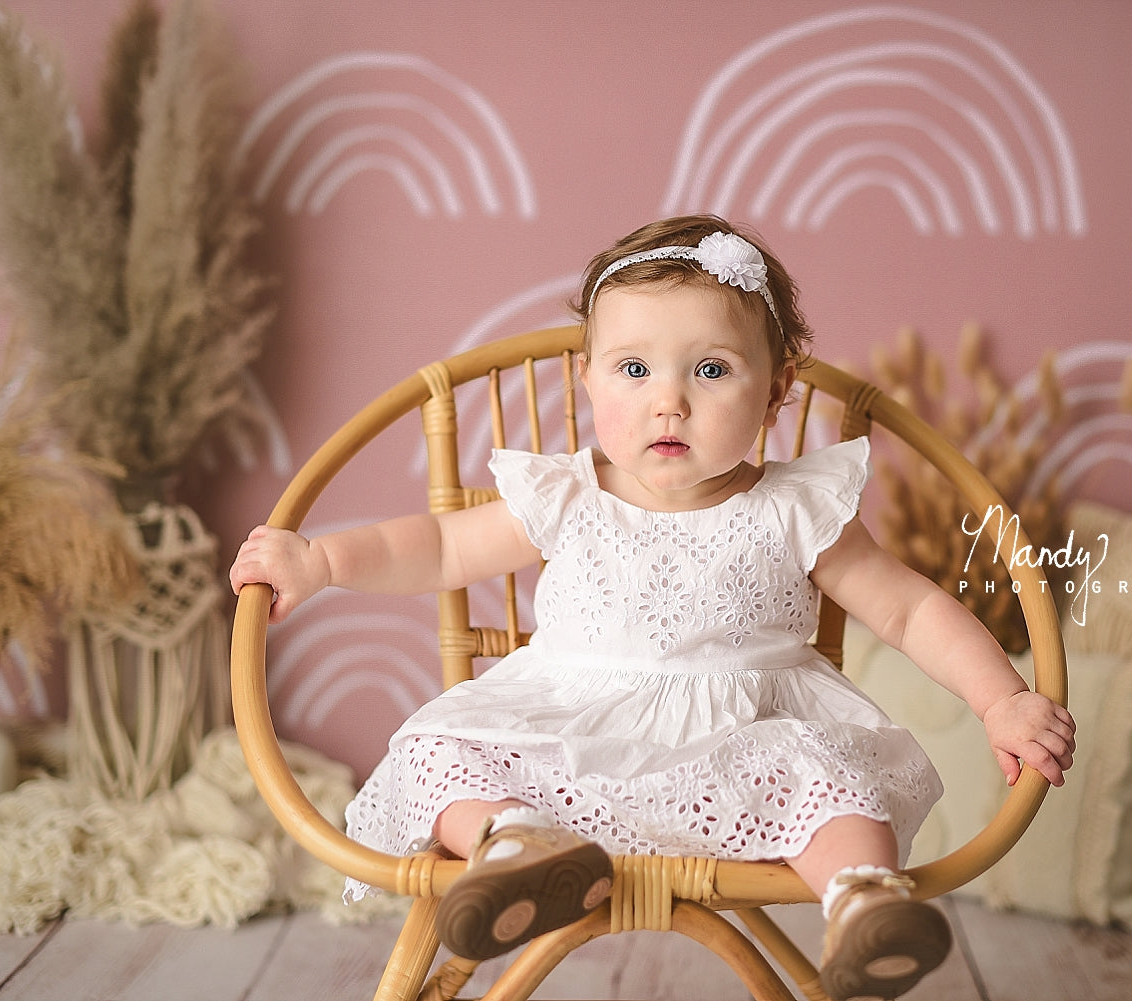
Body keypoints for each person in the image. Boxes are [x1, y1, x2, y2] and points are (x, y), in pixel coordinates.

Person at [230, 215, 1075, 1001]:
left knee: (836, 781)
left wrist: (1001, 699)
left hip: (744, 749)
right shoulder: (569, 493)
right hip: (569, 742)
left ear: (776, 392)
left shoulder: (793, 507)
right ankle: (517, 843)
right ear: (590, 379)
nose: (669, 400)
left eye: (711, 370)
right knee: (436, 751)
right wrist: (322, 559)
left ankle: (862, 902)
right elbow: (440, 547)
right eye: (634, 370)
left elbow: (908, 612)